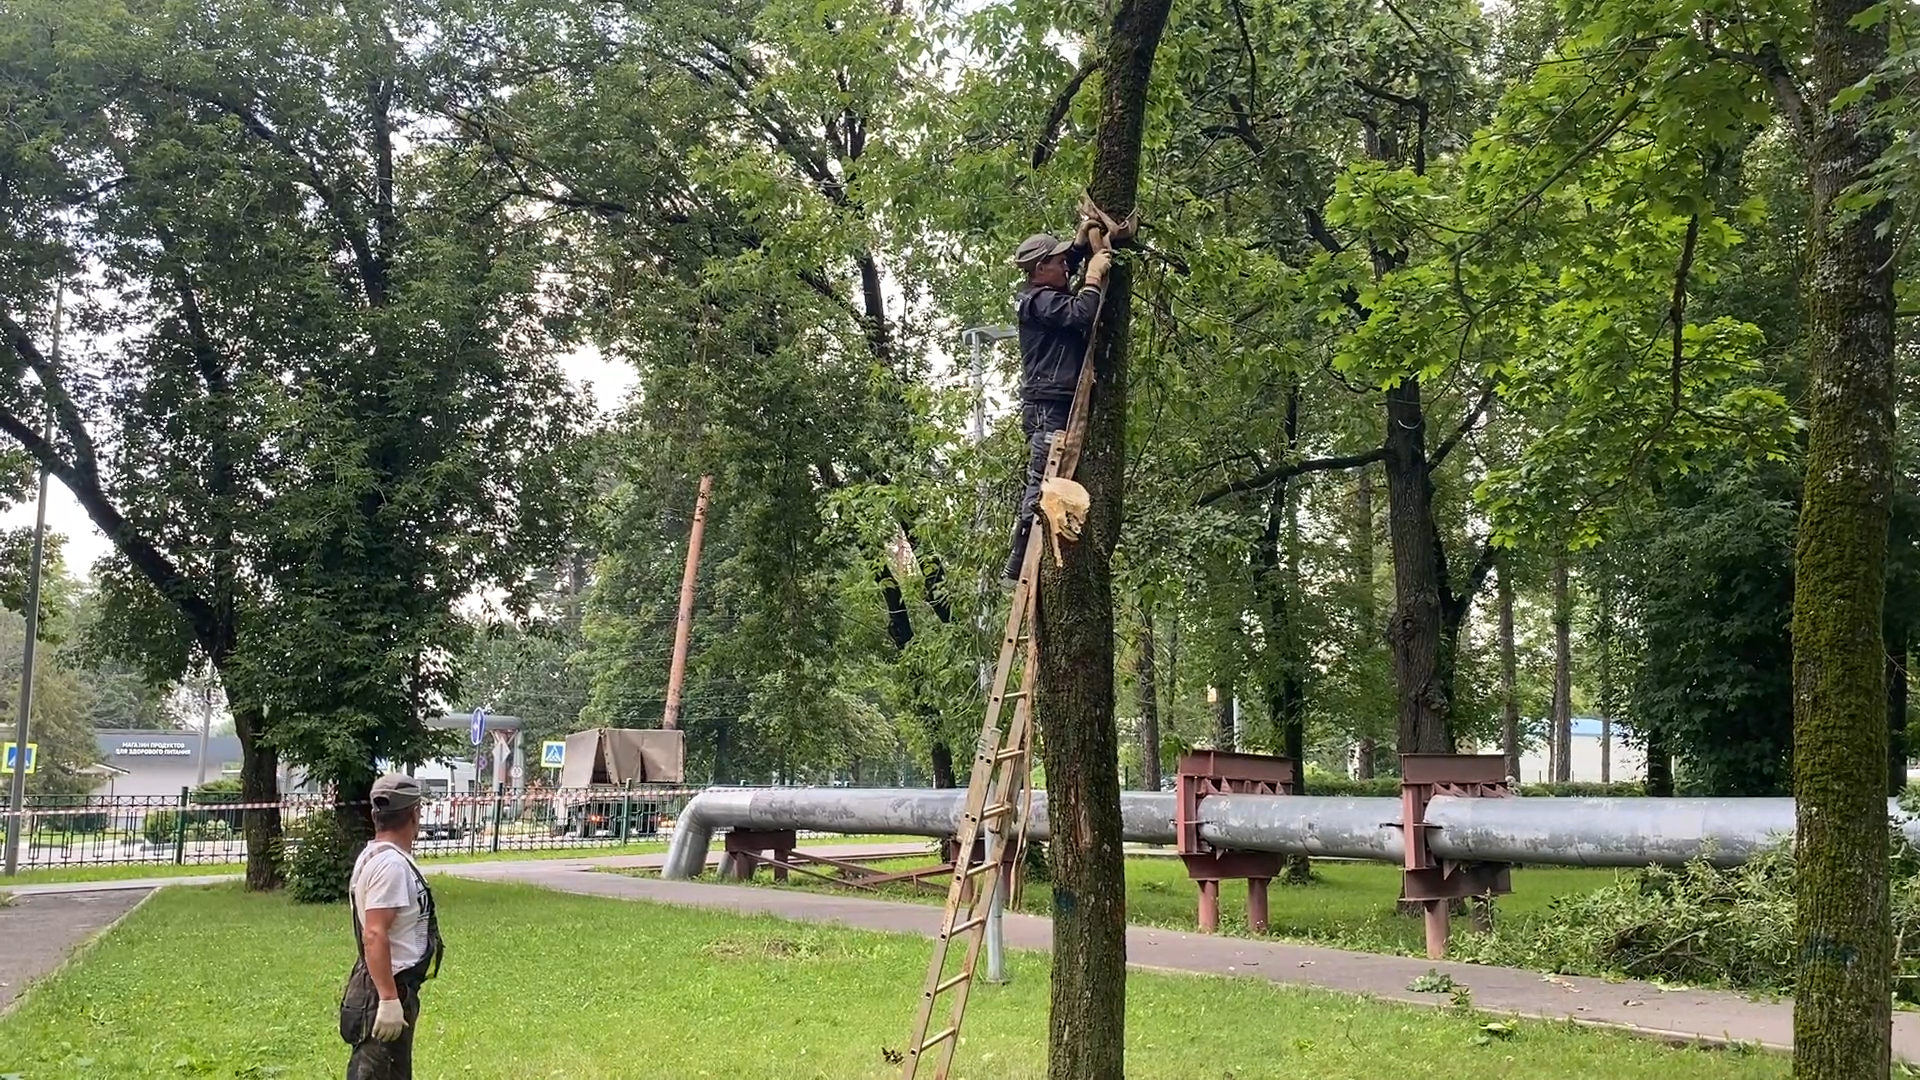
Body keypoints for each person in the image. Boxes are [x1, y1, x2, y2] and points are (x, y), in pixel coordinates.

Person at [1001, 227, 1113, 582]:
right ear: (1039, 270)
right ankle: (1017, 568)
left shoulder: (1041, 292)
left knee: (1049, 484)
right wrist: (1093, 276)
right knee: (1042, 486)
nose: (1068, 266)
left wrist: (1080, 246)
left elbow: (1064, 273)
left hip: (1053, 401)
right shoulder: (1040, 301)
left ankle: (1023, 562)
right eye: (1059, 261)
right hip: (1050, 406)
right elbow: (1081, 312)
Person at [339, 774, 444, 1080]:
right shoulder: (391, 866)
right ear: (415, 813)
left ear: (376, 816)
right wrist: (388, 999)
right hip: (386, 987)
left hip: (389, 985)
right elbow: (374, 932)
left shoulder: (379, 855)